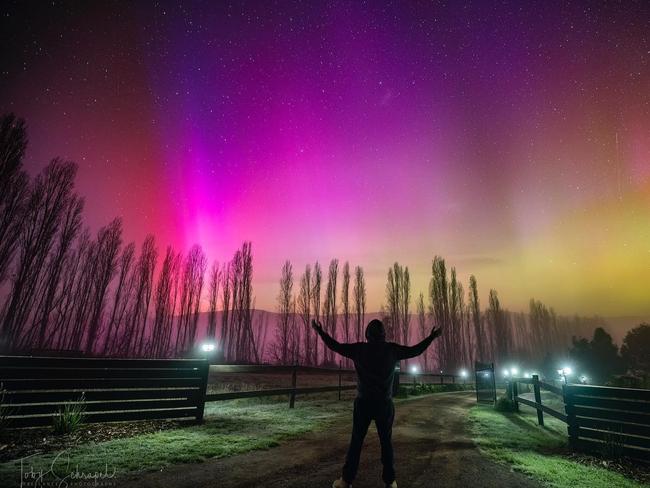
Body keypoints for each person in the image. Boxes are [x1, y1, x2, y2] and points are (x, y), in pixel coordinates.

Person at [312, 318, 442, 488]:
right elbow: (415, 350)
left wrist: (320, 332)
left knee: (356, 442)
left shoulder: (359, 349)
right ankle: (390, 481)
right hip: (384, 404)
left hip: (363, 403)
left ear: (367, 334)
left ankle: (346, 481)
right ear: (383, 335)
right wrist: (431, 337)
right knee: (386, 442)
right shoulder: (392, 350)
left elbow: (335, 346)